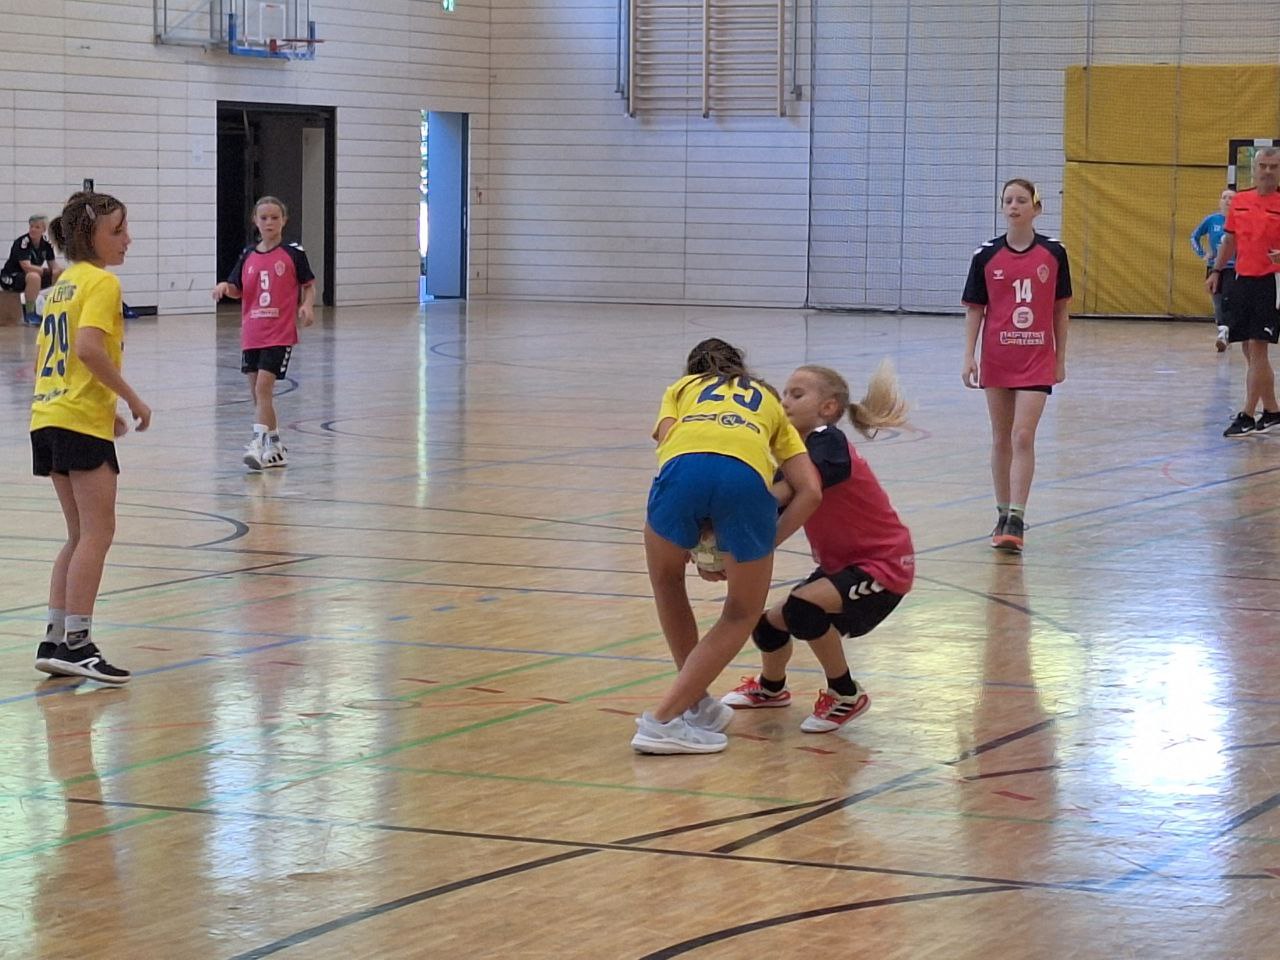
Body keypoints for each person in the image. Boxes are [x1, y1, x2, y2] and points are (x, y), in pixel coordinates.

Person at [632, 338, 822, 755]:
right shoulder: (768, 400)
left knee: (666, 582)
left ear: (693, 370)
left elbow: (672, 444)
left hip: (681, 472)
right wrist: (756, 546)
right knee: (741, 612)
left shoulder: (682, 388)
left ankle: (694, 706)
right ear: (741, 368)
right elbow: (810, 490)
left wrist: (698, 539)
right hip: (744, 481)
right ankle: (664, 720)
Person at [721, 362, 914, 732]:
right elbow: (775, 501)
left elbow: (787, 493)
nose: (785, 402)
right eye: (784, 394)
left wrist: (738, 513)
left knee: (803, 610)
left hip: (883, 563)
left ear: (827, 407)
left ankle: (846, 693)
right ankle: (771, 688)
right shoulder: (794, 454)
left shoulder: (828, 442)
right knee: (768, 627)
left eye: (797, 394)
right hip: (842, 564)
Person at [30, 190, 151, 683]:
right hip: (77, 420)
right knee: (98, 533)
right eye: (117, 230)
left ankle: (55, 638)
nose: (127, 239)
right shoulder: (101, 282)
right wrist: (132, 399)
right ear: (90, 236)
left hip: (49, 416)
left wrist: (106, 411)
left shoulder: (62, 285)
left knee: (78, 534)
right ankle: (78, 644)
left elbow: (44, 358)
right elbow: (87, 349)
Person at [962, 178, 1072, 553]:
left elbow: (1060, 309)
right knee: (1001, 437)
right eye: (1008, 200)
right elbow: (975, 309)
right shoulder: (985, 255)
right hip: (997, 357)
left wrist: (1059, 357)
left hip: (1036, 358)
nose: (1013, 206)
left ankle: (1017, 518)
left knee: (1023, 435)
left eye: (1021, 200)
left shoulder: (1054, 253)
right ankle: (1001, 513)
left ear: (1036, 208)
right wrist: (969, 356)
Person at [211, 196, 315, 469]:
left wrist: (306, 305)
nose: (269, 223)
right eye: (264, 218)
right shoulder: (248, 255)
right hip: (252, 333)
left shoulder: (293, 253)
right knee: (258, 395)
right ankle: (275, 446)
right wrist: (224, 287)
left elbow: (308, 284)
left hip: (279, 332)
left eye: (275, 218)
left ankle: (258, 443)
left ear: (284, 221)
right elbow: (238, 289)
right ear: (255, 221)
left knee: (263, 387)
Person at [1207, 147, 1280, 437]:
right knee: (1249, 349)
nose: (1267, 171)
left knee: (1258, 346)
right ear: (1254, 168)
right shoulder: (1240, 201)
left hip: (1270, 282)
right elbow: (1230, 241)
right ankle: (1272, 410)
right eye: (1263, 165)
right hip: (1242, 279)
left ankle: (1248, 415)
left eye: (1273, 166)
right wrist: (1216, 270)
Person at [1191, 189, 1235, 351]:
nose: (1227, 201)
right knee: (1217, 300)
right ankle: (1223, 331)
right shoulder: (1212, 220)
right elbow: (1194, 237)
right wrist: (1203, 254)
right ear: (1220, 201)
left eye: (1231, 198)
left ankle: (1226, 330)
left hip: (1233, 267)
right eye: (1224, 197)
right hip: (1214, 267)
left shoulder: (1241, 220)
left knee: (1229, 298)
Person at [1, 215, 62, 324]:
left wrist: (60, 272)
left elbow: (53, 265)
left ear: (43, 230)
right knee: (34, 277)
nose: (33, 229)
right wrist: (46, 271)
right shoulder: (23, 242)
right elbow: (26, 267)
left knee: (61, 274)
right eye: (31, 227)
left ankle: (58, 307)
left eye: (37, 227)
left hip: (31, 276)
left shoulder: (47, 243)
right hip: (11, 277)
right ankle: (30, 313)